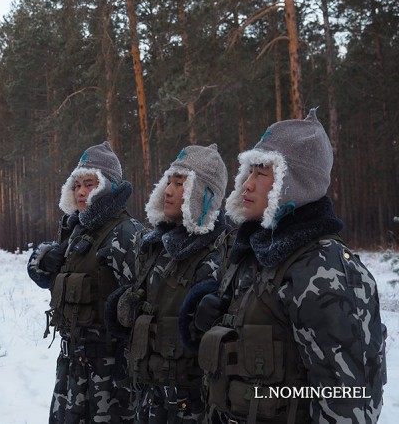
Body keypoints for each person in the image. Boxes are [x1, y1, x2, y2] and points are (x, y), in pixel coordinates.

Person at [189, 109, 386, 423]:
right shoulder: (255, 257)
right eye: (248, 172)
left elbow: (348, 402)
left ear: (293, 182)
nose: (246, 185)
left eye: (262, 173)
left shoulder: (326, 270)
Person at [105, 144, 231, 423]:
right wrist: (124, 307)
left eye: (180, 183)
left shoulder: (223, 251)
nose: (169, 191)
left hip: (193, 407)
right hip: (148, 401)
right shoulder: (154, 247)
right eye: (168, 182)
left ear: (203, 193)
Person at [28, 141, 145, 424]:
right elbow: (58, 280)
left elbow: (146, 304)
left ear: (109, 185)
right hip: (71, 369)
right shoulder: (77, 231)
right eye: (77, 184)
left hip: (111, 378)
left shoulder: (127, 235)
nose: (81, 192)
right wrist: (41, 261)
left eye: (89, 183)